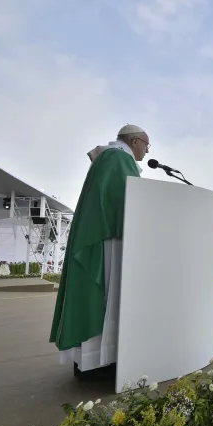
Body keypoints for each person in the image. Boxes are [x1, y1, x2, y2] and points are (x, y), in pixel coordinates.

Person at [49, 124, 150, 378]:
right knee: (106, 298)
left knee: (103, 300)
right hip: (109, 238)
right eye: (147, 145)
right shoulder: (118, 158)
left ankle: (95, 360)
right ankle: (100, 362)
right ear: (136, 141)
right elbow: (123, 201)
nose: (147, 152)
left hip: (102, 234)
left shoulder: (110, 157)